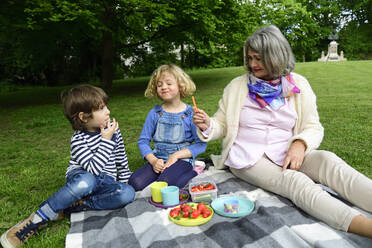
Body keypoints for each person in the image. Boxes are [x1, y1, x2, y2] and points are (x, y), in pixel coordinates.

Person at [193, 25, 372, 238]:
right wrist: (207, 125)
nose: (252, 64)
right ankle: (364, 227)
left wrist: (300, 143)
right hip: (248, 157)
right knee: (295, 182)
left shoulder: (299, 85)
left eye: (258, 58)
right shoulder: (236, 86)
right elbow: (221, 124)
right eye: (250, 58)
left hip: (286, 150)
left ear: (276, 57)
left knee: (328, 161)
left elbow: (313, 126)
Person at [1, 85, 135, 248]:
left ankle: (72, 207)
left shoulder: (114, 131)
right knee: (88, 181)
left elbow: (120, 156)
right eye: (101, 108)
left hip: (105, 180)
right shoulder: (78, 140)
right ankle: (39, 218)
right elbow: (93, 170)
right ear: (84, 117)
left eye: (105, 106)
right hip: (83, 177)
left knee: (127, 194)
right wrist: (106, 140)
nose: (108, 111)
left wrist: (125, 178)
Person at [128, 64, 207, 191]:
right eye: (159, 85)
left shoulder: (190, 114)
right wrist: (153, 161)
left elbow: (200, 144)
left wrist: (176, 155)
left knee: (166, 184)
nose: (164, 87)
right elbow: (143, 141)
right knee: (134, 183)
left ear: (180, 85)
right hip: (158, 159)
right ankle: (162, 174)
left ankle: (195, 171)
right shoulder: (155, 113)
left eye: (169, 83)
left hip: (182, 160)